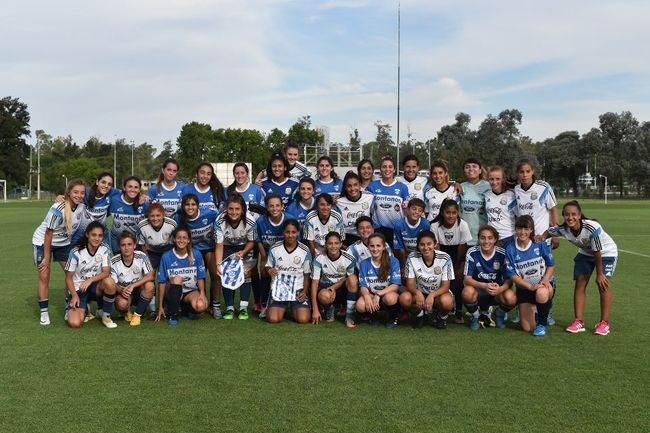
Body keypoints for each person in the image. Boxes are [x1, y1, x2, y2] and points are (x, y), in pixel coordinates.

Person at [543, 200, 618, 336]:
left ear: (579, 215)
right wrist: (540, 238)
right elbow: (549, 232)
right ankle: (578, 321)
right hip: (586, 252)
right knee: (580, 282)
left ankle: (604, 323)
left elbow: (597, 253)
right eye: (567, 215)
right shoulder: (563, 229)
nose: (570, 217)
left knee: (603, 284)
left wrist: (599, 274)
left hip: (606, 253)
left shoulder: (591, 228)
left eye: (573, 214)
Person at [32, 179, 86, 325]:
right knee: (44, 275)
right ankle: (44, 312)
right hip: (43, 242)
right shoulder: (58, 208)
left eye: (82, 193)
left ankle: (69, 306)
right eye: (76, 192)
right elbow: (48, 233)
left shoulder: (81, 207)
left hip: (63, 244)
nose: (79, 195)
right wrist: (46, 257)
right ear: (68, 192)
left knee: (72, 274)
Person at [513, 158, 559, 325]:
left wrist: (555, 234)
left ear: (532, 171)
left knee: (544, 274)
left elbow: (553, 209)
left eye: (527, 171)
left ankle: (547, 309)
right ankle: (521, 308)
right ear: (517, 174)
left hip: (541, 240)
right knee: (522, 273)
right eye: (521, 172)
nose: (524, 175)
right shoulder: (516, 190)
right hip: (523, 240)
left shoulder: (543, 187)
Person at [504, 215, 555, 337]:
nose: (522, 232)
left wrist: (545, 280)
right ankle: (539, 309)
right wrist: (529, 287)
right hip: (525, 289)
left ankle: (542, 323)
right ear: (515, 229)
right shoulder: (510, 249)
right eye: (519, 229)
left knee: (541, 293)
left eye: (526, 229)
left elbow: (551, 265)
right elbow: (512, 275)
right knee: (527, 328)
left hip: (543, 285)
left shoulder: (539, 244)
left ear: (531, 230)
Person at [175, 193, 221, 319]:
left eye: (193, 204)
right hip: (192, 250)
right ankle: (197, 301)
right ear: (183, 206)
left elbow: (221, 223)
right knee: (197, 276)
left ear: (198, 206)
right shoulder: (179, 218)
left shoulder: (209, 214)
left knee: (215, 274)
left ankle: (215, 305)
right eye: (187, 204)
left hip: (210, 247)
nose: (190, 207)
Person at [462, 225, 516, 330]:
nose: (486, 241)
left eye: (490, 238)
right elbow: (467, 279)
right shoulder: (472, 252)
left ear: (495, 239)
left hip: (496, 292)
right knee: (466, 292)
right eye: (483, 238)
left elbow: (509, 280)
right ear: (478, 239)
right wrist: (484, 285)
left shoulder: (502, 254)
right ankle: (476, 316)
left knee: (511, 297)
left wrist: (500, 289)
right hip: (478, 291)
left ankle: (499, 314)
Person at [399, 230, 454, 329]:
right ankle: (420, 315)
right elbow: (410, 284)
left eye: (429, 244)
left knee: (447, 302)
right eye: (422, 245)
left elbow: (445, 287)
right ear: (418, 246)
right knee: (404, 298)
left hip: (438, 294)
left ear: (435, 244)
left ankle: (441, 317)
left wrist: (432, 295)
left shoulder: (445, 258)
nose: (425, 247)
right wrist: (417, 293)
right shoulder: (412, 257)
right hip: (420, 295)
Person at [64, 221, 114, 328]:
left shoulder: (104, 249)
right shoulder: (75, 252)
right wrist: (74, 296)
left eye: (100, 235)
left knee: (109, 282)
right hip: (79, 289)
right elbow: (68, 278)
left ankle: (105, 315)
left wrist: (90, 280)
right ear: (87, 235)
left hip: (94, 287)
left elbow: (106, 272)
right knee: (75, 323)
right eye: (94, 235)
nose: (97, 238)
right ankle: (84, 308)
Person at [214, 193, 257, 320]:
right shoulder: (219, 221)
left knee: (246, 272)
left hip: (245, 246)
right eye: (231, 209)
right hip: (226, 247)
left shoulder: (250, 221)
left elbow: (252, 242)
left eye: (237, 209)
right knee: (226, 272)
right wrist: (218, 264)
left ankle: (243, 308)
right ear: (226, 209)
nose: (234, 212)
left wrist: (243, 252)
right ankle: (229, 308)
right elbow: (219, 244)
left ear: (243, 209)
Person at [430, 199, 472, 324]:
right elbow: (436, 248)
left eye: (454, 213)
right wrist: (443, 267)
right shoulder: (434, 225)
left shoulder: (462, 224)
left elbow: (462, 246)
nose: (451, 216)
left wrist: (457, 266)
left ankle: (458, 310)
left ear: (457, 213)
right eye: (448, 212)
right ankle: (438, 308)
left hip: (458, 254)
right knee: (440, 279)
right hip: (441, 254)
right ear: (442, 212)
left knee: (458, 280)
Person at [156, 226, 208, 326]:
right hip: (171, 292)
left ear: (188, 240)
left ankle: (184, 310)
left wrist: (202, 293)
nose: (181, 240)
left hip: (190, 292)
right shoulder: (166, 256)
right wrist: (160, 306)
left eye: (184, 238)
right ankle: (173, 315)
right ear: (174, 239)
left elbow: (201, 276)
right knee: (177, 278)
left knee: (201, 306)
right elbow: (161, 282)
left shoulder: (196, 254)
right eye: (179, 237)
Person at [264, 219, 312, 324]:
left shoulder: (305, 250)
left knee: (303, 319)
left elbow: (307, 274)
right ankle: (282, 308)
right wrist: (270, 270)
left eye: (293, 232)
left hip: (297, 289)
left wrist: (304, 291)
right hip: (279, 289)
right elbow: (268, 266)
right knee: (273, 319)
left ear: (298, 232)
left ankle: (293, 308)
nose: (290, 235)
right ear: (283, 232)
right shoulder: (275, 248)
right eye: (287, 232)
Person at [106, 231, 155, 327]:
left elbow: (150, 275)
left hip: (139, 290)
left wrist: (133, 285)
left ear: (134, 245)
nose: (126, 247)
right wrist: (120, 290)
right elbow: (112, 283)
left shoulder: (142, 256)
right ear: (119, 247)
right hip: (124, 292)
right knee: (121, 304)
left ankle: (137, 315)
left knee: (150, 285)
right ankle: (126, 312)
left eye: (129, 244)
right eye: (123, 245)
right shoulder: (114, 261)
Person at [136, 202, 177, 317]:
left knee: (169, 278)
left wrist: (173, 258)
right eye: (152, 216)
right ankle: (153, 307)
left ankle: (168, 306)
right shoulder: (142, 226)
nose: (155, 218)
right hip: (151, 252)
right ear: (148, 216)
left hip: (167, 251)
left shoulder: (172, 224)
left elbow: (176, 242)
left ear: (163, 215)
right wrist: (147, 260)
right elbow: (142, 245)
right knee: (149, 278)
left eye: (158, 215)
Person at [310, 232, 358, 328]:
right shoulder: (319, 259)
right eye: (330, 243)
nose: (333, 246)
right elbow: (314, 284)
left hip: (341, 288)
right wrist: (315, 309)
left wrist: (335, 287)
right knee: (324, 295)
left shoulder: (349, 258)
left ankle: (349, 315)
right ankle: (329, 307)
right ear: (326, 244)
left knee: (353, 279)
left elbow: (349, 278)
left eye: (336, 243)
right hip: (325, 288)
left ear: (341, 244)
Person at [356, 233, 401, 329]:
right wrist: (367, 297)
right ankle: (373, 316)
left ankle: (393, 317)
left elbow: (395, 285)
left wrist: (379, 294)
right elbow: (363, 286)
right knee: (360, 305)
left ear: (384, 246)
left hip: (388, 295)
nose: (375, 249)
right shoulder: (364, 263)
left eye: (378, 246)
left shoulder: (393, 261)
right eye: (372, 246)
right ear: (368, 247)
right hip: (372, 294)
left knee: (390, 298)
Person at [256, 194, 290, 316]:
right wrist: (264, 258)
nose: (275, 209)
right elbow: (258, 240)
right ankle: (264, 304)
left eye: (277, 206)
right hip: (268, 254)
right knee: (265, 271)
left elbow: (295, 241)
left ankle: (288, 301)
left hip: (287, 255)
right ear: (267, 207)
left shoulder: (289, 220)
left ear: (282, 206)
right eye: (271, 206)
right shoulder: (260, 221)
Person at [368, 155, 409, 248]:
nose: (387, 169)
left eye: (390, 167)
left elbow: (406, 210)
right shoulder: (372, 186)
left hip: (396, 229)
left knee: (396, 256)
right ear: (380, 169)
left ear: (394, 169)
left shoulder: (402, 187)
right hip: (378, 229)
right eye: (384, 167)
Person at [71, 172, 113, 244]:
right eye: (103, 182)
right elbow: (72, 194)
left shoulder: (112, 193)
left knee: (104, 254)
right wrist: (61, 197)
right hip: (81, 234)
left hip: (100, 235)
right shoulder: (86, 192)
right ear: (97, 182)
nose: (106, 186)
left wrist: (139, 196)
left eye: (109, 184)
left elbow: (127, 193)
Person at [108, 176, 146, 253]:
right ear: (124, 188)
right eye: (130, 186)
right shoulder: (114, 200)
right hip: (117, 242)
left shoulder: (145, 203)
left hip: (136, 243)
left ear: (139, 190)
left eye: (136, 187)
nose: (133, 189)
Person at [459, 157, 490, 247]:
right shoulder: (460, 187)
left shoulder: (488, 187)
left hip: (484, 237)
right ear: (464, 170)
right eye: (467, 167)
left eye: (474, 166)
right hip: (465, 237)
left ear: (480, 170)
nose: (471, 169)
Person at [393, 198, 430, 274]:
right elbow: (400, 248)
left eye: (420, 210)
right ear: (407, 210)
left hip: (420, 255)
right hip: (405, 256)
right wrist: (403, 266)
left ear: (422, 213)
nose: (416, 212)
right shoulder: (399, 225)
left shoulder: (425, 224)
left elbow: (426, 245)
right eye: (414, 209)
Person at [336, 172, 374, 246]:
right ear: (345, 188)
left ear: (360, 185)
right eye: (349, 186)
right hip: (347, 238)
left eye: (355, 185)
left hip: (365, 236)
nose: (353, 189)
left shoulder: (370, 197)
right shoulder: (338, 202)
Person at [304, 193, 345, 257]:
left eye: (328, 205)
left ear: (331, 206)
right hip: (315, 250)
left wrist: (329, 252)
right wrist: (315, 256)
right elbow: (310, 241)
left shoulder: (337, 217)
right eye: (322, 205)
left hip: (332, 249)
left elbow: (340, 239)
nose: (325, 208)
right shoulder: (310, 217)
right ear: (317, 206)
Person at [484, 166, 516, 247]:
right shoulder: (486, 194)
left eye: (498, 179)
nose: (494, 182)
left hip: (509, 237)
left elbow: (518, 216)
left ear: (503, 179)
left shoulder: (511, 195)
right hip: (493, 239)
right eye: (491, 179)